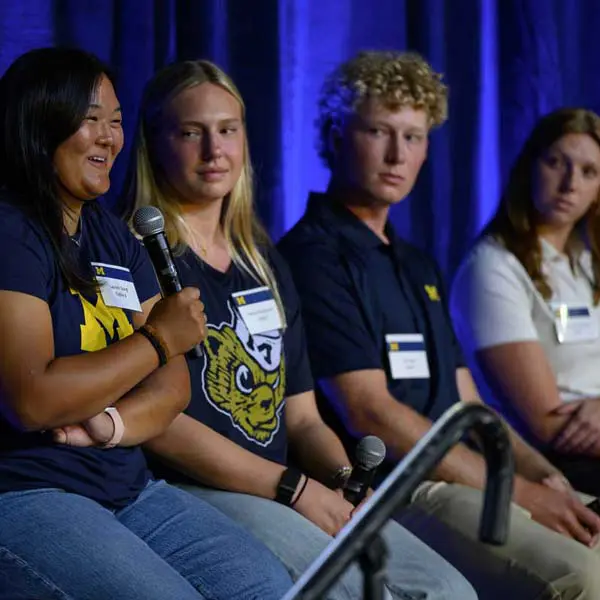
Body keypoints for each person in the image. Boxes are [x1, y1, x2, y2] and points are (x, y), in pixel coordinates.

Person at [124, 58, 479, 600]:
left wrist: (342, 479)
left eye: (228, 130)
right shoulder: (136, 253)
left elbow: (304, 418)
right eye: (191, 133)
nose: (214, 151)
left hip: (284, 484)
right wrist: (292, 487)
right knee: (356, 592)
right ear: (155, 142)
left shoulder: (262, 260)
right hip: (198, 489)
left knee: (449, 591)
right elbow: (158, 423)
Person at [277, 50, 600, 599]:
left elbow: (468, 405)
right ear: (335, 135)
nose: (397, 154)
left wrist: (546, 477)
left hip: (464, 474)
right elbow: (369, 411)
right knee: (580, 576)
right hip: (397, 486)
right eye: (379, 131)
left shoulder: (417, 263)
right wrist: (517, 492)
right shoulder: (313, 256)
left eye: (414, 137)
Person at [0, 47, 294, 600]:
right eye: (90, 120)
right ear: (38, 124)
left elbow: (173, 387)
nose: (109, 138)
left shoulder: (112, 235)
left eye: (115, 122)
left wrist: (109, 426)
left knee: (267, 587)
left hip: (128, 487)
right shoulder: (11, 231)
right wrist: (157, 339)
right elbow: (33, 398)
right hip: (27, 489)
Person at [451, 108, 600, 497]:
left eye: (589, 172)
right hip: (552, 462)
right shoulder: (492, 267)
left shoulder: (587, 261)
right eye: (556, 163)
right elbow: (548, 426)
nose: (570, 184)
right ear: (529, 167)